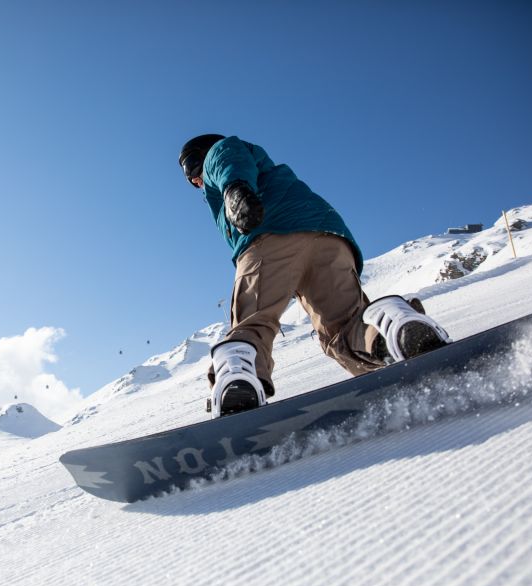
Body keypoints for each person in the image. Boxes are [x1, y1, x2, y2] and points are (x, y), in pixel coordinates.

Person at [178, 134, 450, 418]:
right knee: (344, 328)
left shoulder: (222, 153)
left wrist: (235, 188)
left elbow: (225, 158)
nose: (192, 179)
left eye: (190, 166)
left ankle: (237, 387)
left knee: (252, 322)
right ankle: (392, 327)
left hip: (269, 236)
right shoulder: (254, 168)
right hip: (328, 237)